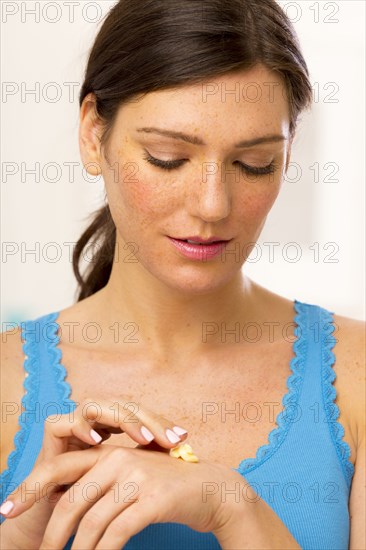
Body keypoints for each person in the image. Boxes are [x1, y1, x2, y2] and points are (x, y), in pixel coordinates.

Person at [0, 0, 364, 548]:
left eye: (254, 163)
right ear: (93, 133)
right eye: (168, 158)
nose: (213, 205)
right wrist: (27, 532)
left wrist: (230, 505)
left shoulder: (357, 376)